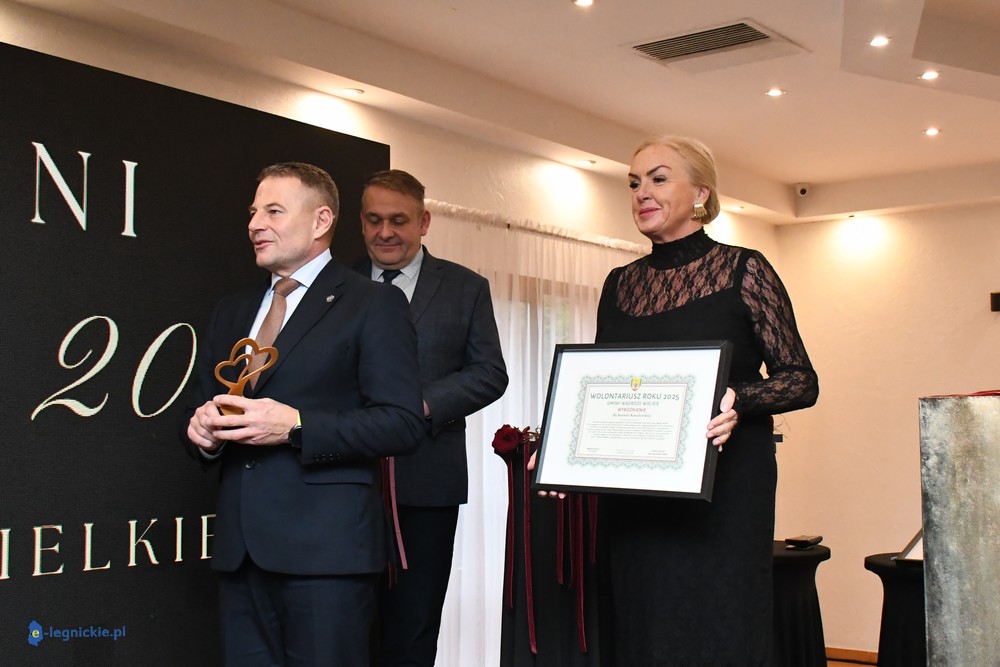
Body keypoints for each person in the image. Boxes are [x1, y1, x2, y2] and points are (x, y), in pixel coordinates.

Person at [182, 162, 425, 666]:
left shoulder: (374, 303)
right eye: (253, 212)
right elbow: (206, 406)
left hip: (326, 558)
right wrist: (202, 432)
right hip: (240, 556)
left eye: (273, 211)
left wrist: (295, 426)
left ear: (320, 221)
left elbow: (402, 423)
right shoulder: (232, 310)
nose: (255, 224)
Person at [591, 135, 819, 665]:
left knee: (720, 626)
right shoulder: (619, 283)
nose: (641, 192)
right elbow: (603, 384)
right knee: (641, 628)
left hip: (726, 492)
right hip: (637, 498)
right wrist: (564, 449)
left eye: (658, 178)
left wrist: (739, 398)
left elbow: (801, 380)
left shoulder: (746, 269)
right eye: (634, 182)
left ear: (701, 194)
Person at [357, 169, 508, 667]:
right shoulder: (337, 284)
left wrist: (418, 405)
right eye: (374, 220)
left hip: (428, 484)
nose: (385, 232)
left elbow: (490, 373)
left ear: (423, 222)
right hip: (344, 483)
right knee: (346, 628)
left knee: (414, 629)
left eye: (398, 221)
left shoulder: (466, 287)